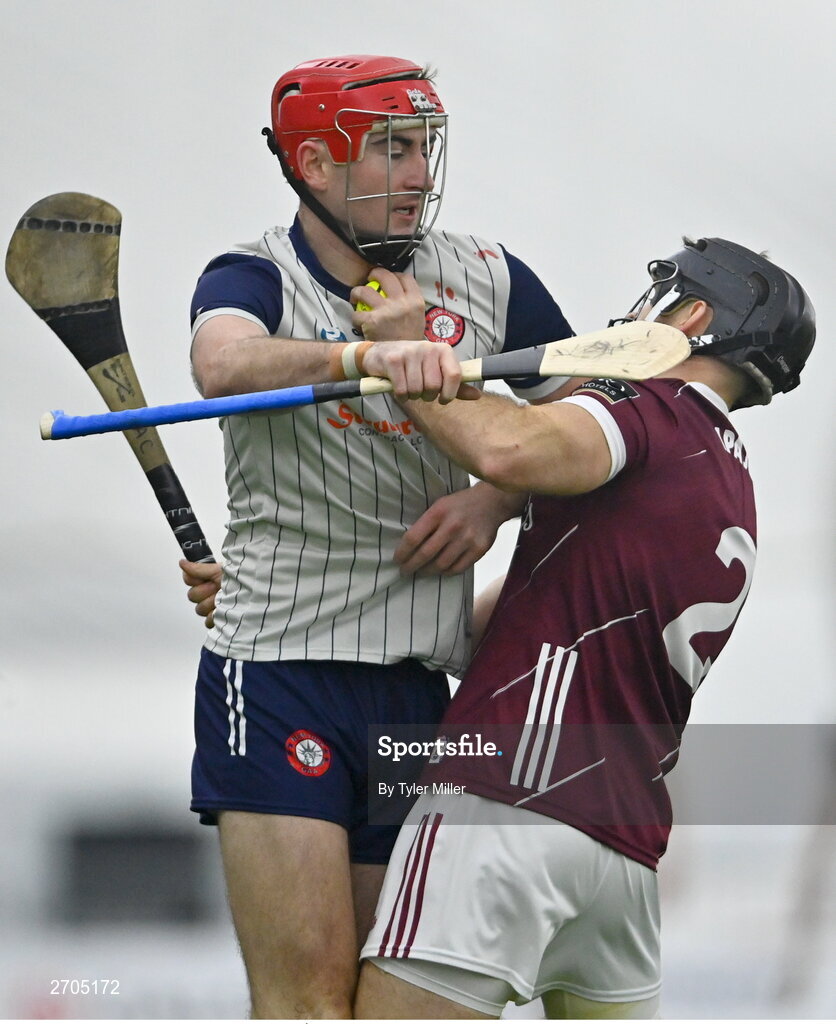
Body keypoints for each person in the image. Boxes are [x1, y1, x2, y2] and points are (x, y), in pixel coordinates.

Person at [179, 54, 573, 1018]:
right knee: (308, 1000)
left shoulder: (487, 277)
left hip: (415, 682)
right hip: (277, 670)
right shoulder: (254, 274)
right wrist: (366, 353)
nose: (417, 175)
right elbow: (221, 364)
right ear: (313, 163)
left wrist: (496, 498)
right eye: (390, 149)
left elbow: (593, 428)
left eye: (423, 148)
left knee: (384, 1001)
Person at [350, 237, 816, 1019]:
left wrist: (409, 354)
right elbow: (489, 631)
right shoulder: (729, 484)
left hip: (506, 804)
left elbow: (508, 445)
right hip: (621, 856)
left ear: (695, 316)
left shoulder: (650, 413)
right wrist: (310, 601)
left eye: (668, 297)